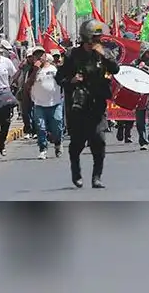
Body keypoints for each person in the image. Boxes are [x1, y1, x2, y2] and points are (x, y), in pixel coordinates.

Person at [56, 20, 120, 189]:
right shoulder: (71, 55)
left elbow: (115, 69)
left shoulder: (103, 53)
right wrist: (71, 80)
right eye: (95, 37)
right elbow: (59, 77)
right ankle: (75, 172)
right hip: (78, 106)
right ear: (86, 38)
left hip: (97, 105)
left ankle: (96, 177)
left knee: (99, 140)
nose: (98, 41)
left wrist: (105, 56)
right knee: (77, 143)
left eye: (99, 38)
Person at [29, 44, 64, 160]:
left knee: (57, 126)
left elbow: (62, 81)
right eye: (36, 55)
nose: (39, 57)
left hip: (55, 102)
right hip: (39, 103)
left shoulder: (53, 69)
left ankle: (58, 144)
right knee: (41, 127)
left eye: (41, 54)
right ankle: (43, 149)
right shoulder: (33, 70)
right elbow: (27, 85)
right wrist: (35, 70)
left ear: (45, 55)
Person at [14, 46, 41, 140]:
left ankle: (35, 131)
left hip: (36, 92)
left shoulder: (38, 66)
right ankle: (27, 131)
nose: (30, 58)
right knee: (25, 112)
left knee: (35, 112)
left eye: (32, 56)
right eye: (29, 57)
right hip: (25, 91)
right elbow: (17, 76)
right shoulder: (24, 67)